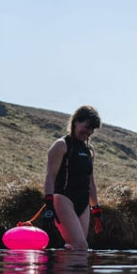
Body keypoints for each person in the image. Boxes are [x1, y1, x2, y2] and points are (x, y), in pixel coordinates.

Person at [43, 105, 103, 250]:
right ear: (76, 121)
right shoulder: (61, 145)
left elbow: (91, 182)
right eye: (87, 127)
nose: (89, 132)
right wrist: (49, 204)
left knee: (75, 248)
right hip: (63, 199)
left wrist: (96, 209)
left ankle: (63, 271)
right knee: (81, 246)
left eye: (92, 129)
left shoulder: (89, 150)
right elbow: (50, 176)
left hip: (83, 202)